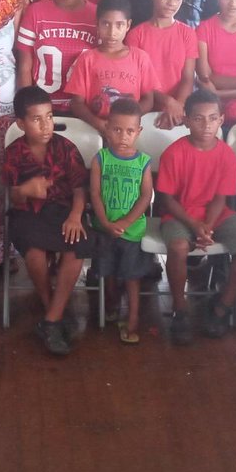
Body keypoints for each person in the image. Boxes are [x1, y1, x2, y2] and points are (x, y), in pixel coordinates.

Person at [157, 89, 236, 343]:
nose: (206, 125)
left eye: (213, 118)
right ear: (187, 120)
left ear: (221, 120)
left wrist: (208, 227)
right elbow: (167, 200)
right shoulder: (174, 153)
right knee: (179, 247)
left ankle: (222, 305)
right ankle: (180, 310)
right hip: (179, 215)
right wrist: (194, 225)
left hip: (216, 215)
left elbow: (220, 198)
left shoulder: (225, 154)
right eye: (199, 118)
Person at [3, 86, 93, 356]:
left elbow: (79, 189)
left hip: (63, 211)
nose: (45, 125)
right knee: (35, 251)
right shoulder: (13, 153)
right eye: (36, 119)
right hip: (26, 214)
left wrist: (76, 216)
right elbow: (12, 197)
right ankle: (51, 306)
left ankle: (51, 320)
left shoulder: (66, 148)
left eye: (49, 116)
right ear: (21, 123)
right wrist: (25, 190)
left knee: (77, 244)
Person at [89, 97, 154, 345]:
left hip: (132, 231)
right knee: (108, 273)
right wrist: (105, 222)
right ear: (107, 128)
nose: (123, 137)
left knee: (132, 277)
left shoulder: (143, 162)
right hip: (104, 228)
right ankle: (112, 306)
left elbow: (146, 196)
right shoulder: (100, 159)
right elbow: (94, 193)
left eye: (129, 131)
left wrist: (126, 222)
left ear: (138, 132)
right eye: (117, 130)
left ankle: (134, 319)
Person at [15, 0, 98, 112]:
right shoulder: (35, 12)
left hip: (84, 112)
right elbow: (25, 66)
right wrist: (26, 109)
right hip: (42, 110)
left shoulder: (98, 16)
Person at [66, 0, 159, 134]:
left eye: (119, 25)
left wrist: (126, 121)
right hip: (94, 130)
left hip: (128, 132)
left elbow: (148, 100)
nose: (112, 32)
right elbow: (77, 103)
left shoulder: (140, 58)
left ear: (128, 25)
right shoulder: (87, 59)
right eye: (106, 24)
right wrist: (98, 123)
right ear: (97, 24)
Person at [126, 0, 198, 129]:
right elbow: (138, 81)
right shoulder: (136, 35)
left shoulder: (187, 34)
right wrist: (168, 101)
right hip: (143, 111)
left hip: (178, 112)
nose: (172, 2)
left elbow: (188, 78)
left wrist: (178, 106)